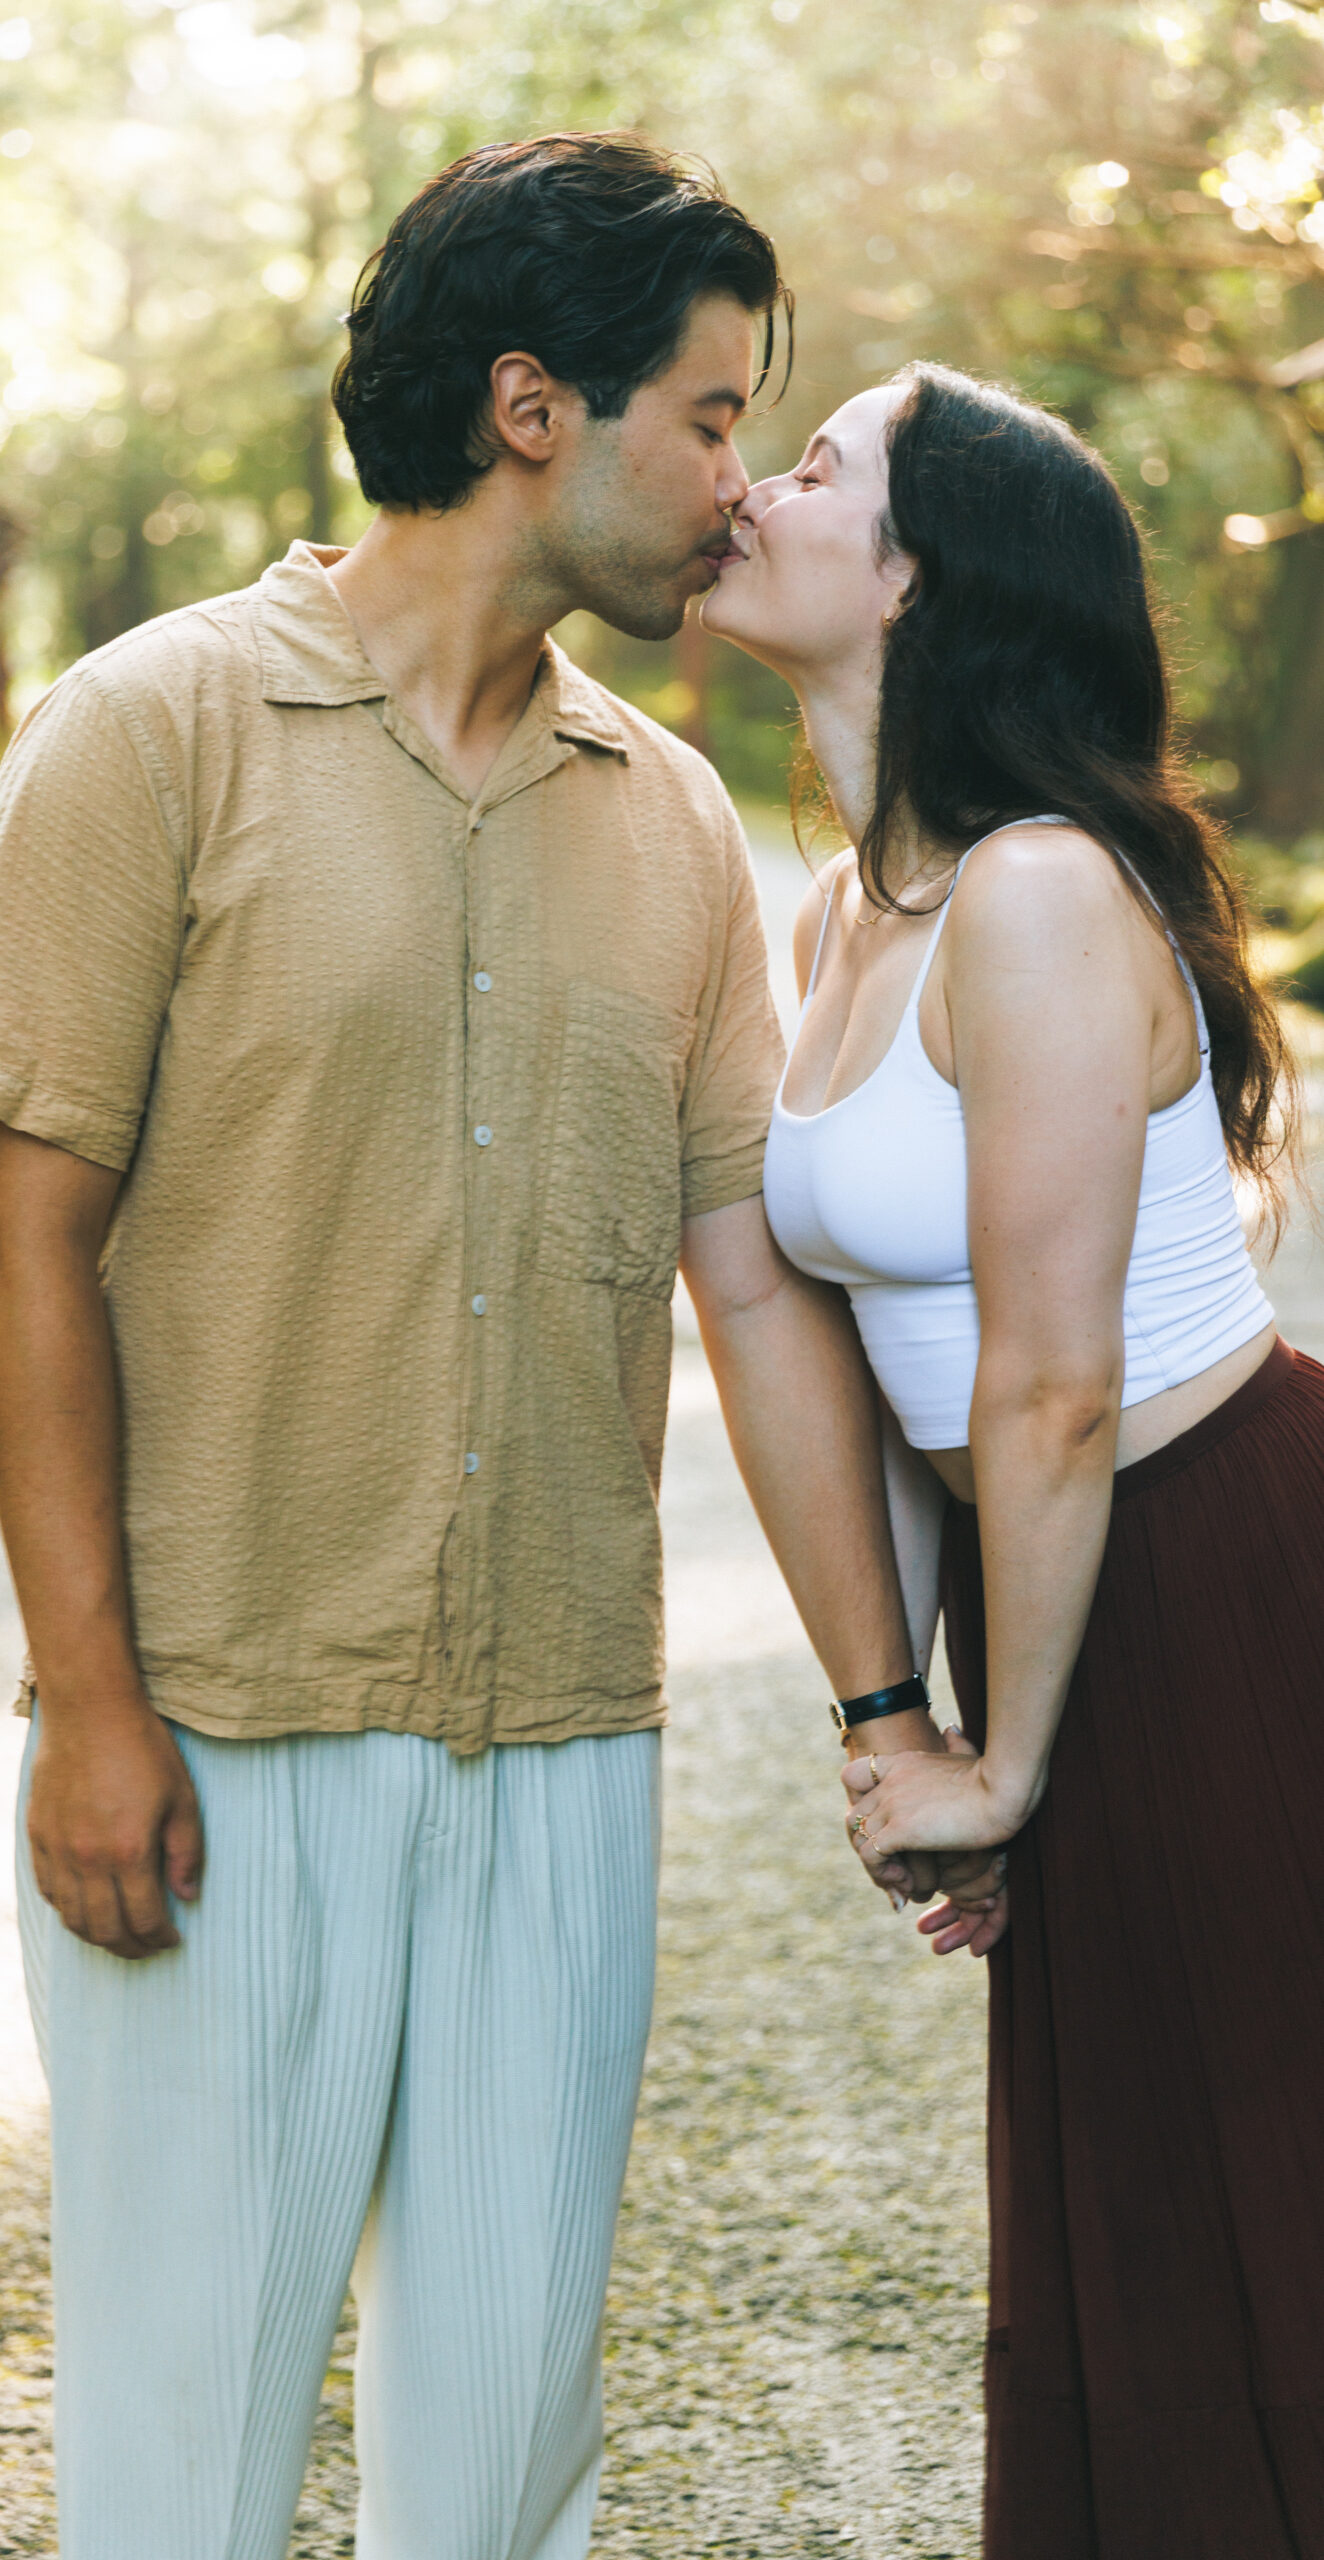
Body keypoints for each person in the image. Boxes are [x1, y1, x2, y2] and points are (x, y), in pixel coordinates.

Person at [0, 134, 932, 2560]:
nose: (728, 482)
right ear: (524, 408)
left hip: (558, 1745)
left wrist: (884, 1708)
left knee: (501, 2456)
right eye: (704, 416)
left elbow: (753, 1285)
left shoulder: (675, 821)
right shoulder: (145, 730)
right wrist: (91, 1704)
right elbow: (13, 1240)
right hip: (218, 1731)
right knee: (186, 2449)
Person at [702, 358, 1324, 2560]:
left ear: (914, 574)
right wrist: (907, 1717)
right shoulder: (843, 917)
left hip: (1223, 1567)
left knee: (1258, 2191)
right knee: (1129, 2194)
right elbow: (887, 1365)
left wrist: (1001, 1762)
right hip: (1054, 1579)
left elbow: (1047, 1382)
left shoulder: (1042, 890)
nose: (745, 486)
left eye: (809, 464)